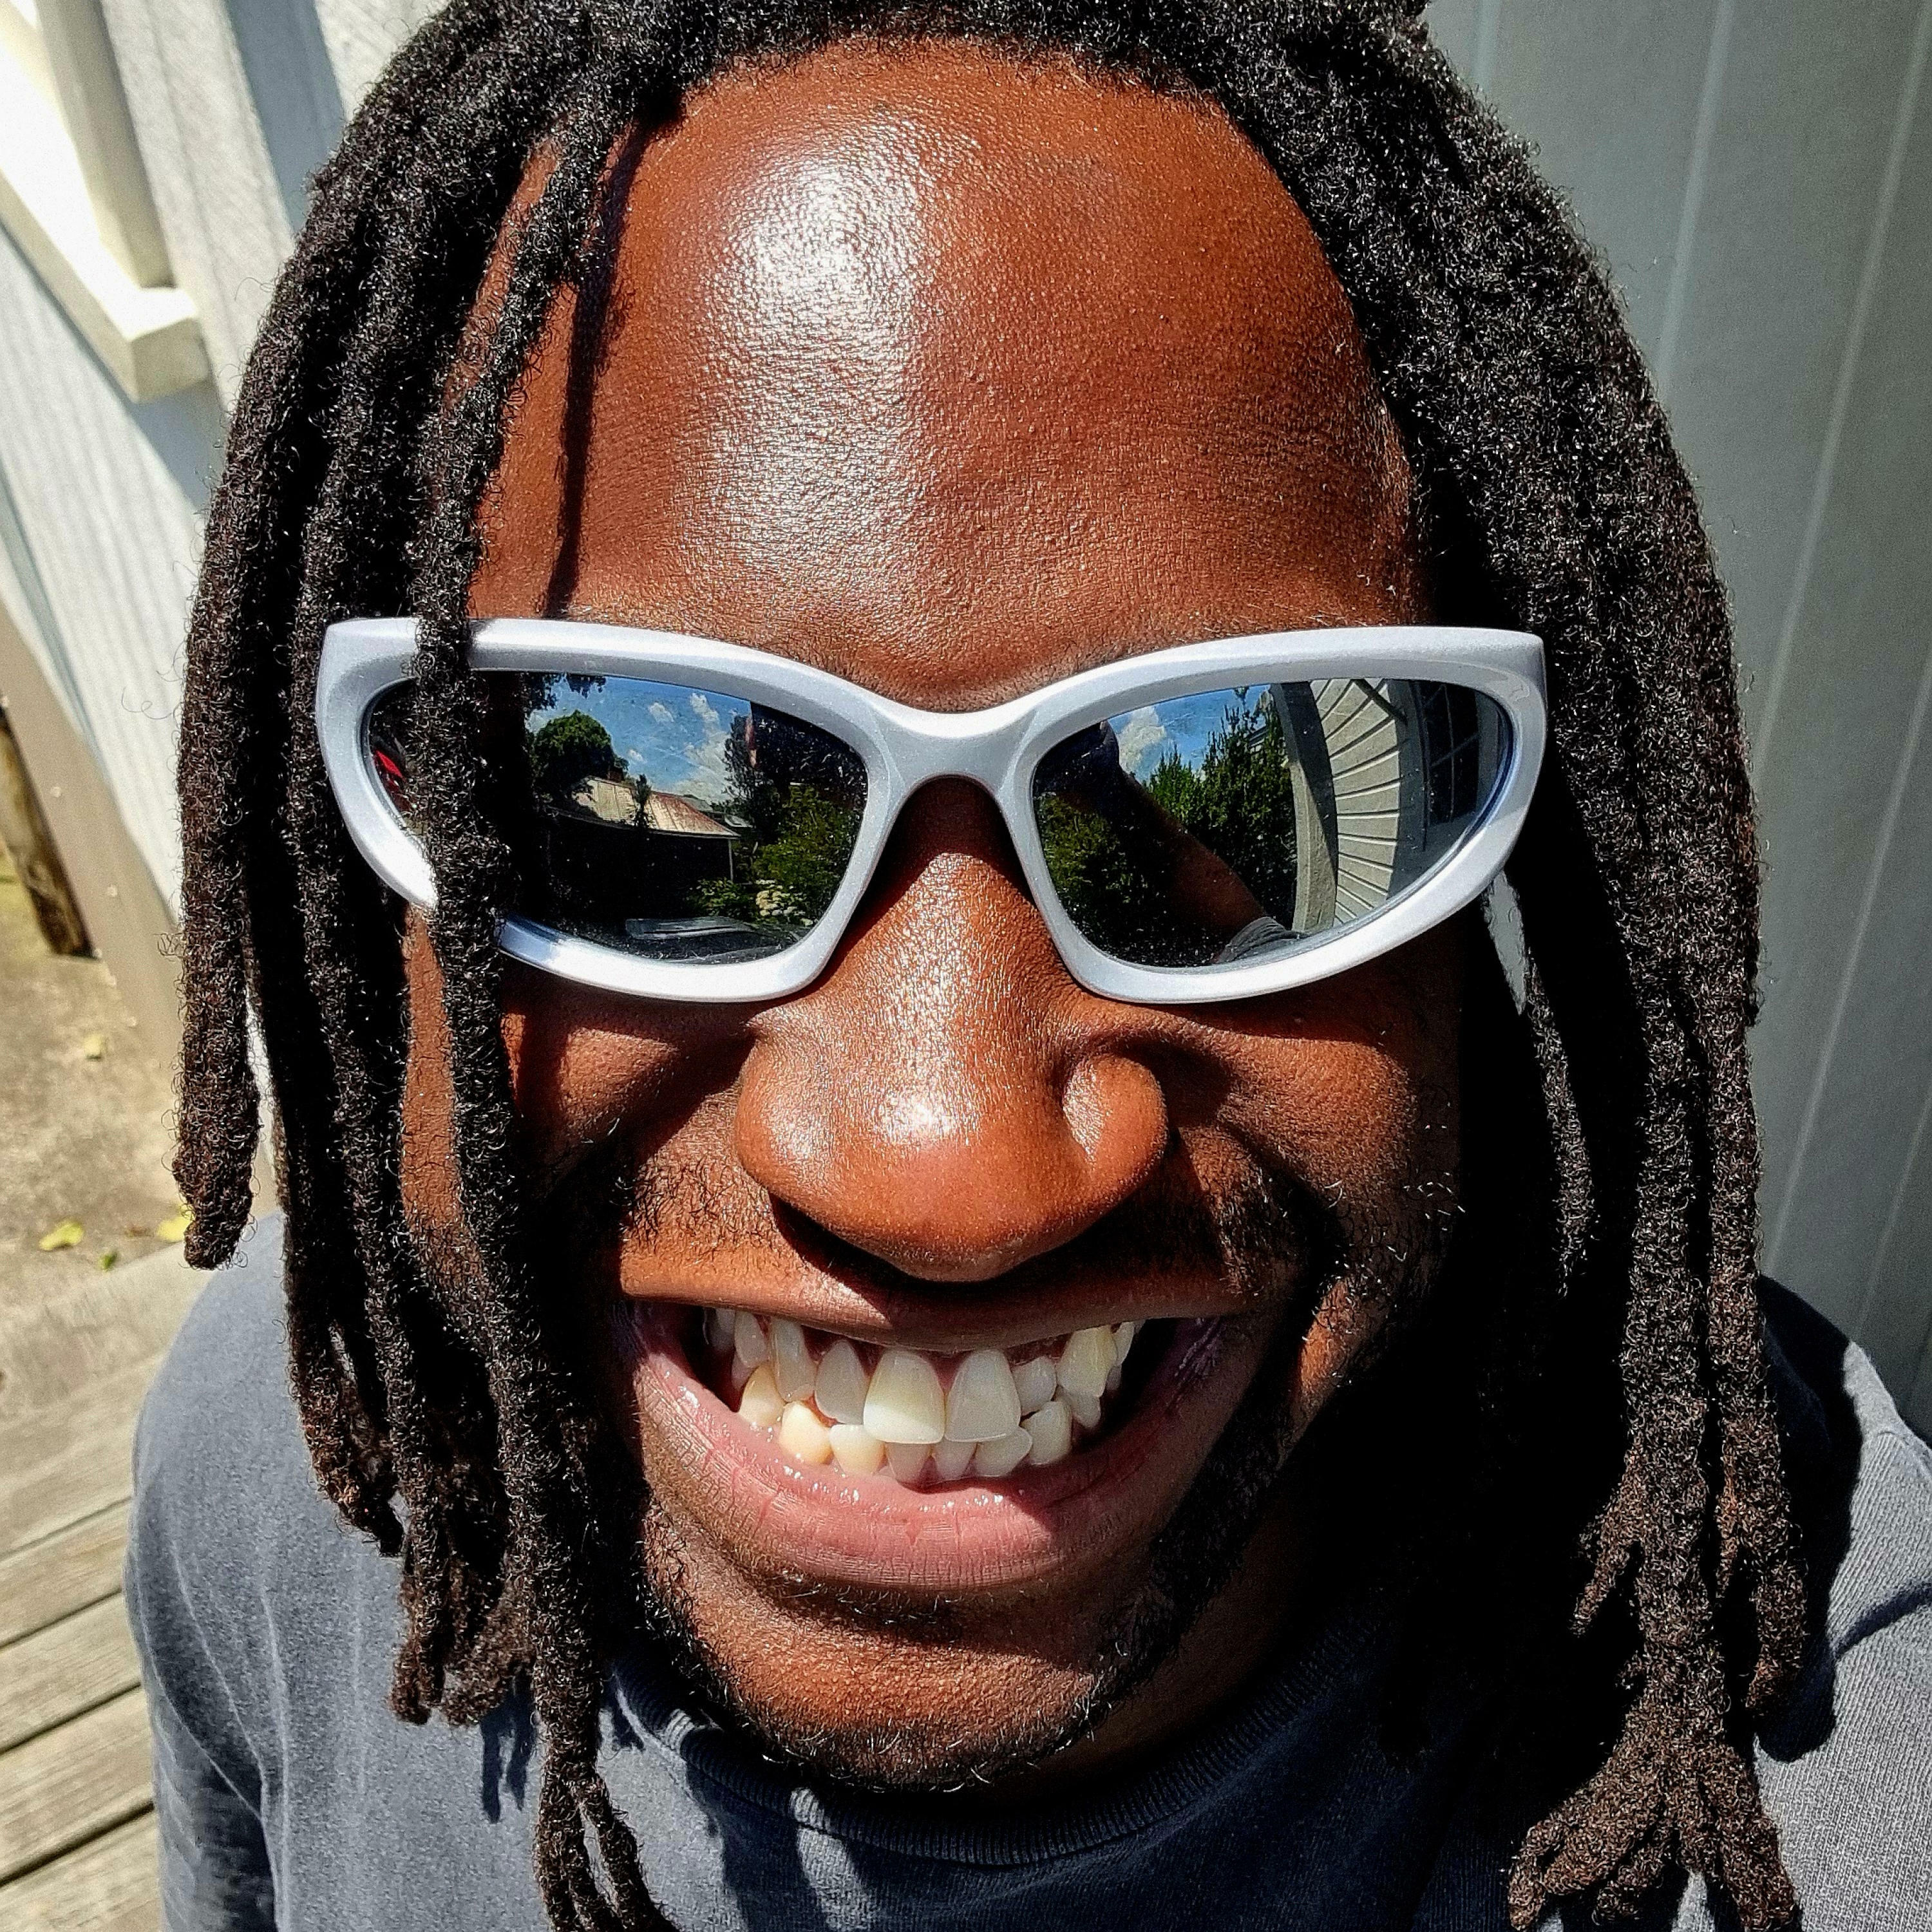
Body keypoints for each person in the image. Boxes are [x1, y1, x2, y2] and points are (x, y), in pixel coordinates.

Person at [129, 3, 1932, 1929]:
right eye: (653, 792)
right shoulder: (276, 1473)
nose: (953, 1175)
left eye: (1211, 797)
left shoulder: (1833, 1786)